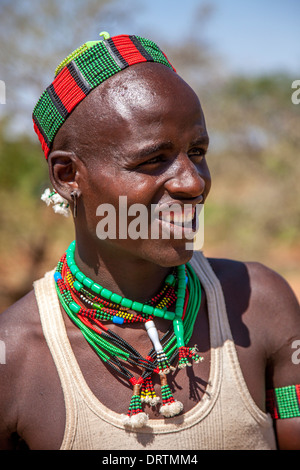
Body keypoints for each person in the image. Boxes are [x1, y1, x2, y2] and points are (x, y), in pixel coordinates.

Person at [0, 32, 299, 451]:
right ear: (68, 176)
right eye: (153, 160)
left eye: (197, 152)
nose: (193, 183)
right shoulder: (14, 357)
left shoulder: (260, 305)